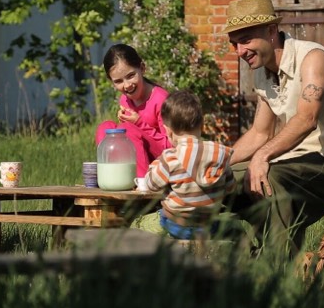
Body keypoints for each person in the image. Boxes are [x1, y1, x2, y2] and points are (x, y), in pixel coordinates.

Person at [221, 0, 324, 257]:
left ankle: (277, 269)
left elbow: (306, 118)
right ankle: (240, 258)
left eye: (245, 40)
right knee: (219, 182)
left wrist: (261, 156)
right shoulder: (261, 73)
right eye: (234, 44)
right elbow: (260, 133)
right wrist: (216, 162)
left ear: (270, 31)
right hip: (291, 163)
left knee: (269, 178)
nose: (239, 51)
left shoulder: (313, 58)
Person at [134, 90, 236, 240]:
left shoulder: (170, 158)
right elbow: (230, 188)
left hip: (176, 226)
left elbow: (150, 185)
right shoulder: (219, 155)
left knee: (137, 224)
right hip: (209, 227)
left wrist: (153, 167)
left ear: (168, 131)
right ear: (201, 125)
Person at [95, 44, 172, 178]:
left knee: (128, 130)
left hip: (162, 164)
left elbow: (171, 146)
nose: (127, 85)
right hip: (135, 162)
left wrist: (139, 123)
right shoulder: (124, 100)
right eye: (118, 81)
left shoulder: (161, 99)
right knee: (105, 128)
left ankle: (141, 185)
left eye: (130, 76)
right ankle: (109, 177)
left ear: (142, 68)